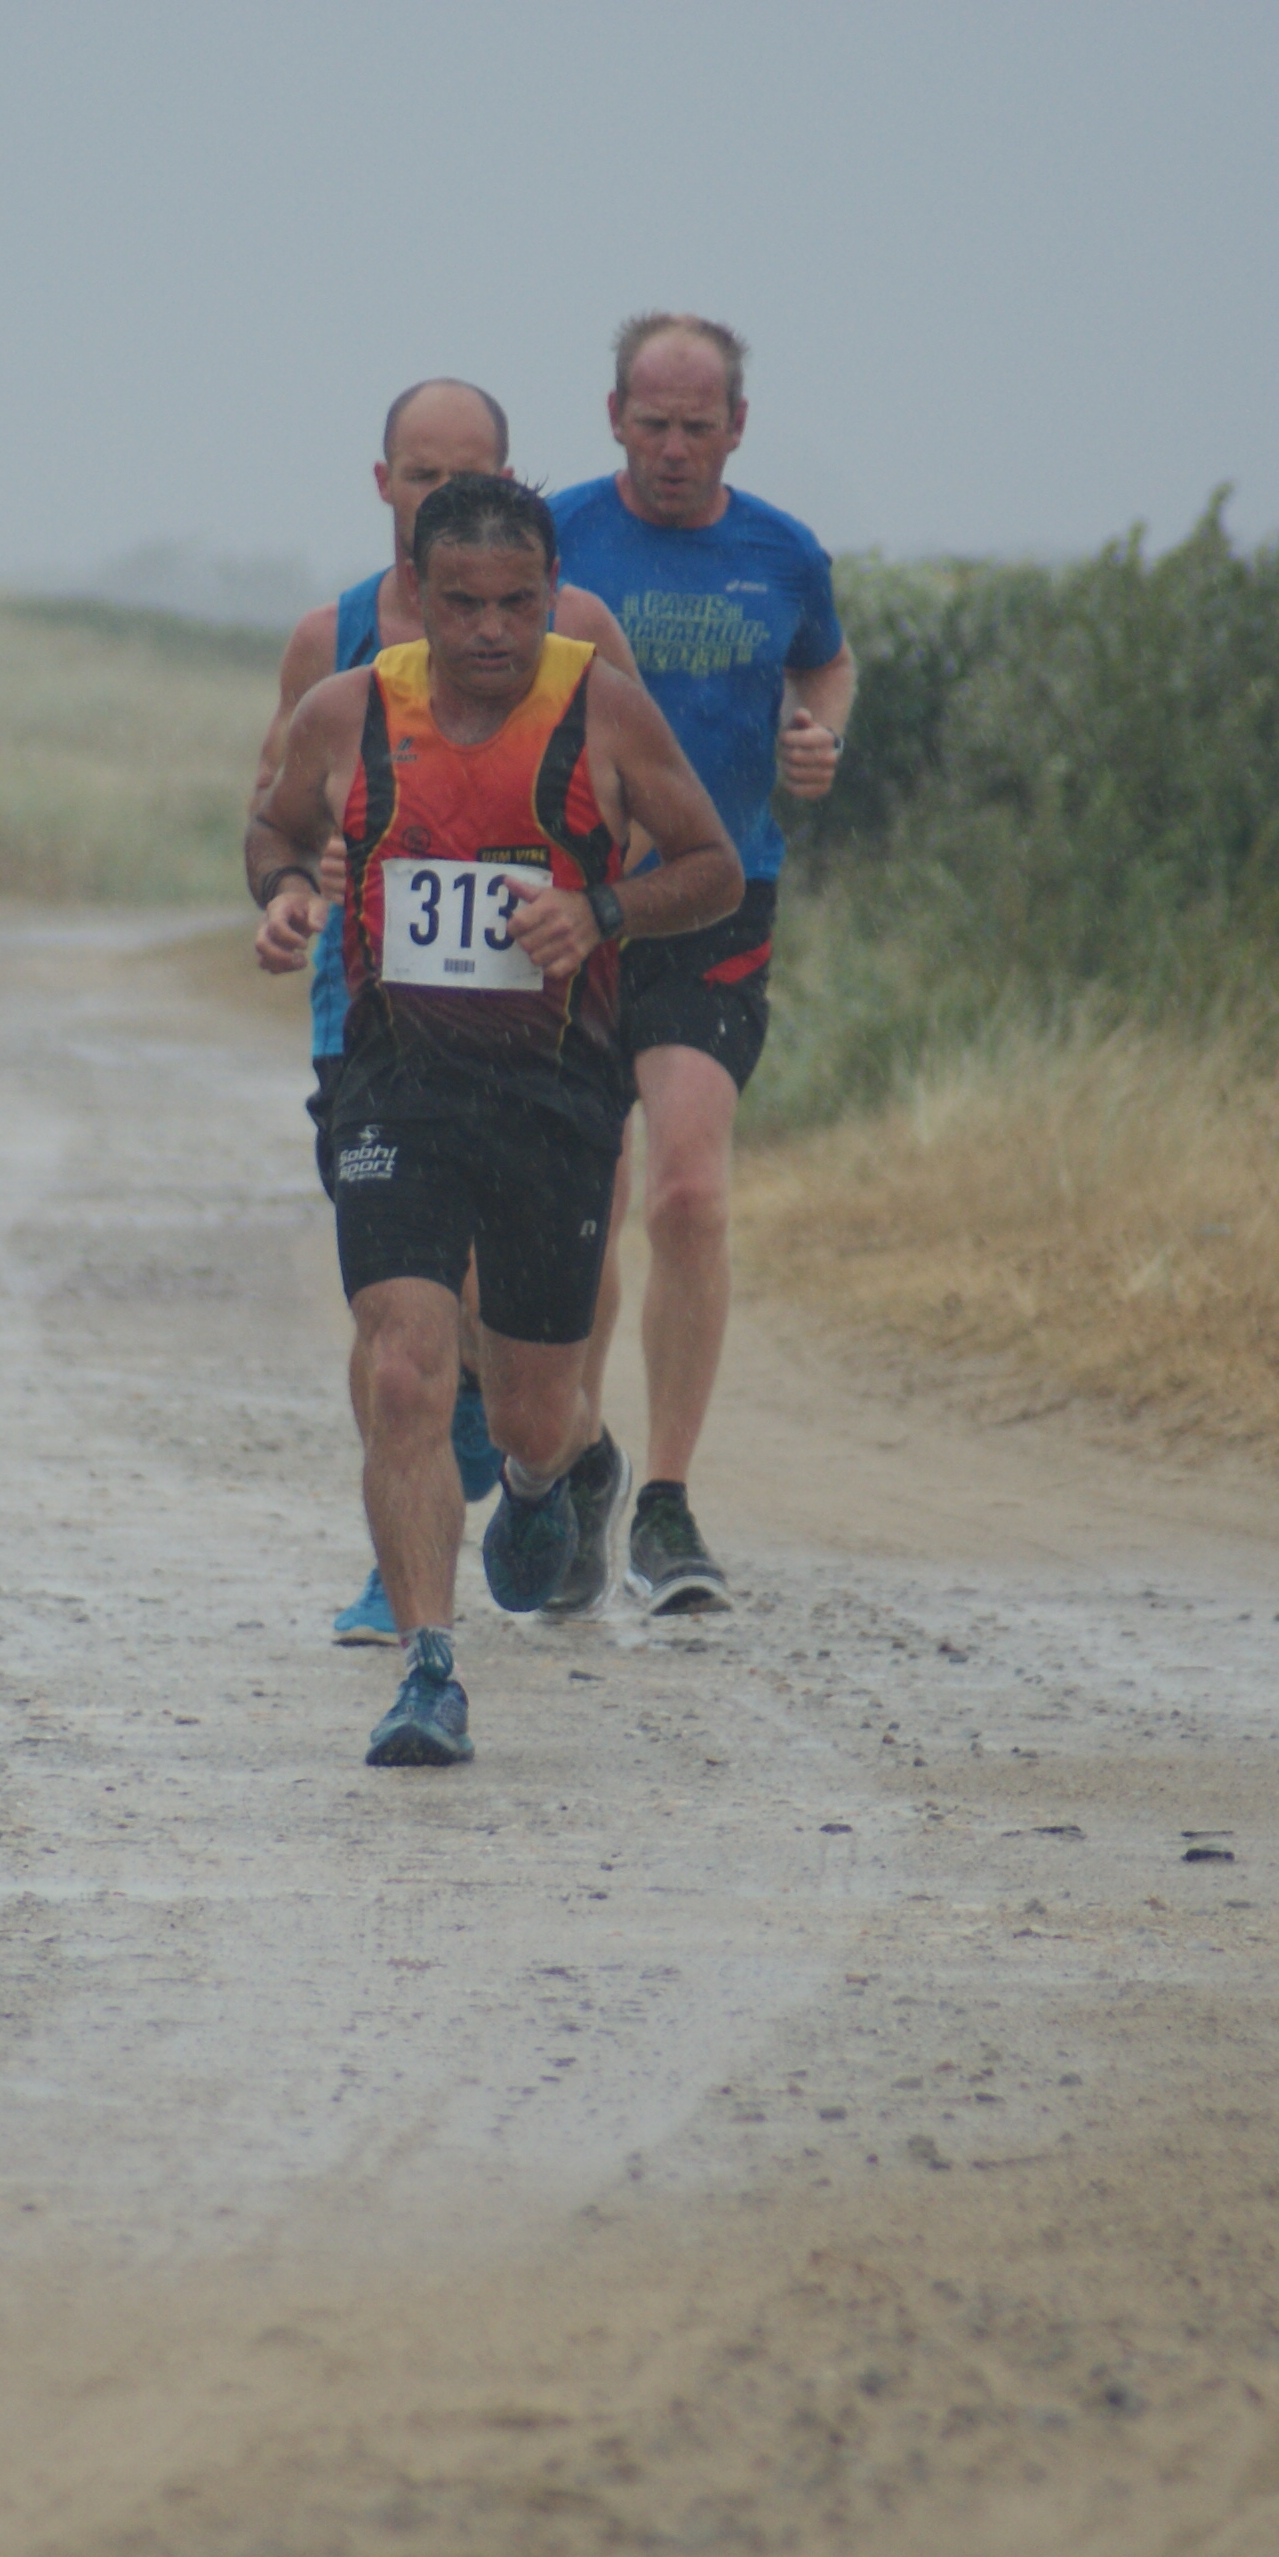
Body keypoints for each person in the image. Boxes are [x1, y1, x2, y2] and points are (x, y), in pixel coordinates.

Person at [246, 473, 739, 1767]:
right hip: (396, 1084)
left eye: (518, 603)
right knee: (403, 1370)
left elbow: (713, 867)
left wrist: (603, 910)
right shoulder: (347, 711)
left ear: (552, 592)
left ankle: (544, 1474)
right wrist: (287, 895)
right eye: (461, 603)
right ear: (415, 593)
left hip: (552, 1093)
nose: (490, 631)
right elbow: (274, 828)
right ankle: (427, 1669)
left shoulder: (603, 707)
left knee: (528, 1405)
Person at [252, 378, 644, 1647]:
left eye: (467, 473)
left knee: (493, 1316)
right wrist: (296, 887)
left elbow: (630, 808)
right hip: (366, 1016)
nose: (439, 493)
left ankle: (549, 1449)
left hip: (540, 1030)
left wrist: (589, 904)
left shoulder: (574, 630)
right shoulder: (329, 638)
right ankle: (400, 1566)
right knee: (397, 1313)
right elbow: (276, 802)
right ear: (384, 486)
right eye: (419, 474)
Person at [552, 314, 854, 1615]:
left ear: (737, 427)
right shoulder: (554, 537)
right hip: (569, 908)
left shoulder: (783, 553)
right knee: (579, 1210)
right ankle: (574, 1469)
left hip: (718, 900)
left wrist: (816, 737)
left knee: (684, 1194)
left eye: (696, 426)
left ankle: (667, 1505)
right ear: (612, 417)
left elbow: (824, 664)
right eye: (652, 424)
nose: (673, 450)